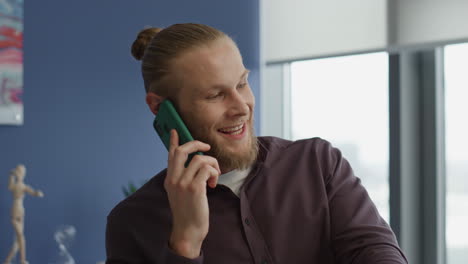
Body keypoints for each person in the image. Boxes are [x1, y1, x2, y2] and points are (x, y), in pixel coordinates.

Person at [105, 23, 408, 264]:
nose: (241, 107)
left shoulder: (318, 163)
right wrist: (185, 241)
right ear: (160, 109)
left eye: (241, 83)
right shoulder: (132, 222)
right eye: (215, 95)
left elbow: (373, 249)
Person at [4, 164, 44, 264]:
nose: (21, 174)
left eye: (22, 172)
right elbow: (10, 187)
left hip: (21, 210)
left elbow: (33, 192)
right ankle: (22, 260)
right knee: (21, 238)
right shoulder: (17, 186)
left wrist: (37, 193)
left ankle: (8, 260)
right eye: (20, 172)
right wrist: (11, 175)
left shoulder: (22, 186)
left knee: (18, 241)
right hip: (16, 209)